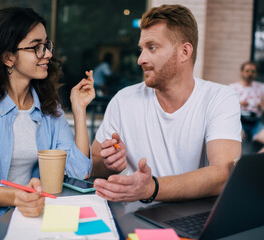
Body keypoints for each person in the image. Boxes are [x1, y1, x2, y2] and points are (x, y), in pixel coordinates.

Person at [0, 7, 95, 239]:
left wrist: (79, 110)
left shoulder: (50, 107)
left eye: (47, 45)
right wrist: (15, 196)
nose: (48, 54)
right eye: (36, 47)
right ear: (8, 56)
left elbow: (78, 172)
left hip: (26, 212)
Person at [91, 4, 242, 203]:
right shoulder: (123, 100)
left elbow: (223, 174)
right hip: (132, 217)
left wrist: (151, 189)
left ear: (184, 52)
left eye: (151, 47)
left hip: (191, 219)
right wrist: (110, 163)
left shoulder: (220, 98)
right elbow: (93, 164)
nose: (140, 59)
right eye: (141, 49)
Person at [230, 61, 264, 153]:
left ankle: (254, 162)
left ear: (256, 74)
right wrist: (239, 103)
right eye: (247, 71)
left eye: (253, 71)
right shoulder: (232, 87)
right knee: (236, 140)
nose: (250, 73)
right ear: (242, 72)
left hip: (255, 122)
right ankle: (236, 165)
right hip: (239, 122)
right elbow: (227, 109)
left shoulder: (261, 87)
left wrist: (262, 106)